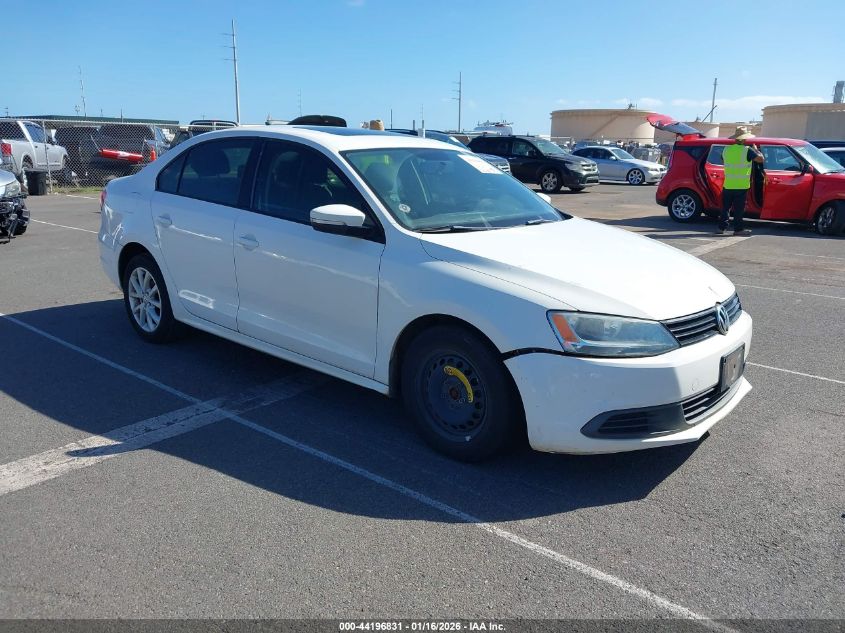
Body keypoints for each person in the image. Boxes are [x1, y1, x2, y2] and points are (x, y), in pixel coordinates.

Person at [719, 126, 764, 235]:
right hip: (741, 186)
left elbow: (723, 160)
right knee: (738, 210)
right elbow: (761, 160)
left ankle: (721, 228)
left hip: (728, 184)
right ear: (744, 139)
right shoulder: (747, 150)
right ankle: (738, 229)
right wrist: (756, 150)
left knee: (725, 208)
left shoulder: (726, 149)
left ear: (735, 138)